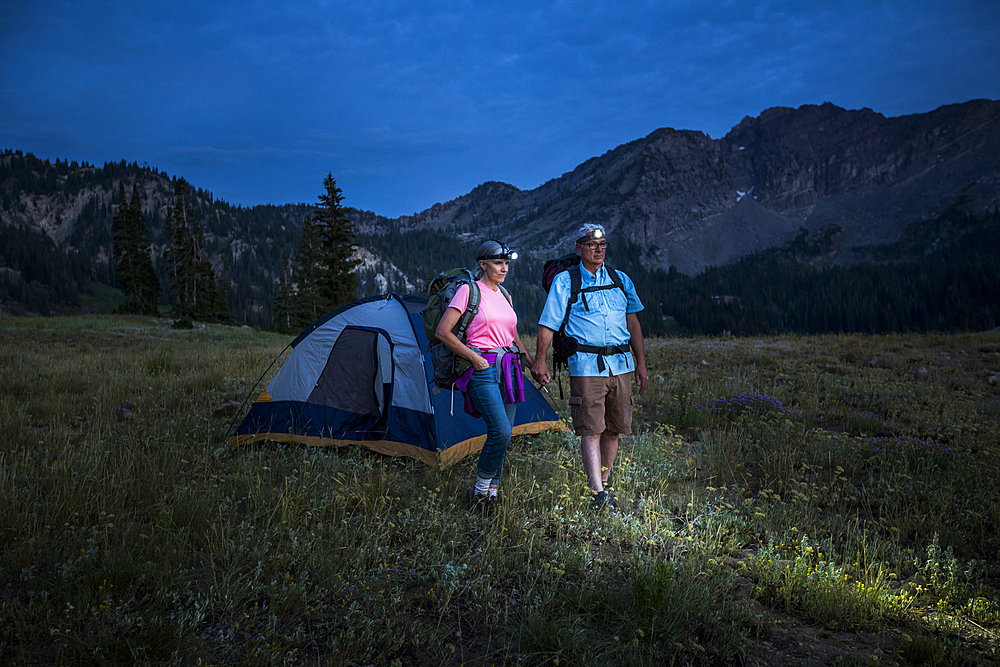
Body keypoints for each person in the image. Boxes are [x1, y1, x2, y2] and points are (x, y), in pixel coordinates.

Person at [531, 224, 648, 513]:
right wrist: (540, 360)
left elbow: (633, 323)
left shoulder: (621, 280)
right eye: (592, 244)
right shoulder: (564, 281)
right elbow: (548, 325)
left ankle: (604, 484)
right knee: (591, 430)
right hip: (586, 366)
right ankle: (596, 492)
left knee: (614, 429)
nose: (599, 249)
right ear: (579, 247)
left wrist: (641, 364)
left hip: (620, 365)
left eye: (603, 244)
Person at [436, 240, 534, 515]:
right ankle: (478, 492)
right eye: (498, 263)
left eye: (506, 264)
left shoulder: (505, 294)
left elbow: (512, 335)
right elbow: (443, 332)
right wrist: (475, 358)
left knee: (505, 436)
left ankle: (491, 494)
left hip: (509, 367)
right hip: (482, 368)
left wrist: (531, 361)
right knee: (500, 431)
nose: (504, 268)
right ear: (483, 265)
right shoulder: (469, 291)